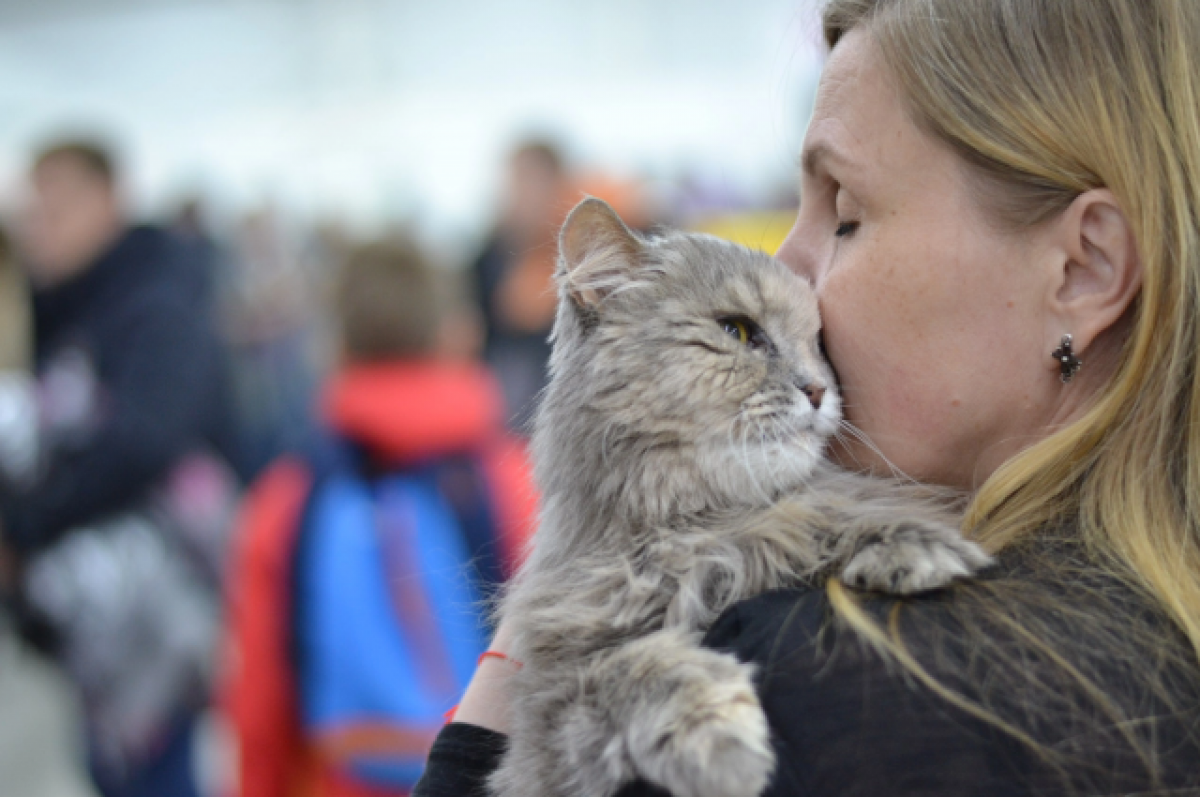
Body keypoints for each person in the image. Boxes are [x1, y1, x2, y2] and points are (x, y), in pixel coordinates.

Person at [414, 2, 1200, 794]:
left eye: (846, 214)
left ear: (1083, 269)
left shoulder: (812, 684)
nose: (789, 264)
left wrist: (485, 723)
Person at [221, 240, 536, 797]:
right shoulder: (514, 480)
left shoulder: (289, 495)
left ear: (336, 346)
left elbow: (259, 697)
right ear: (458, 335)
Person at [0, 139, 238, 797]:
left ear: (109, 200)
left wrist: (23, 529)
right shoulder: (67, 308)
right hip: (93, 614)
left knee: (152, 771)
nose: (39, 228)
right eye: (32, 211)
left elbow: (141, 441)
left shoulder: (156, 304)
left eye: (57, 208)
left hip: (158, 618)